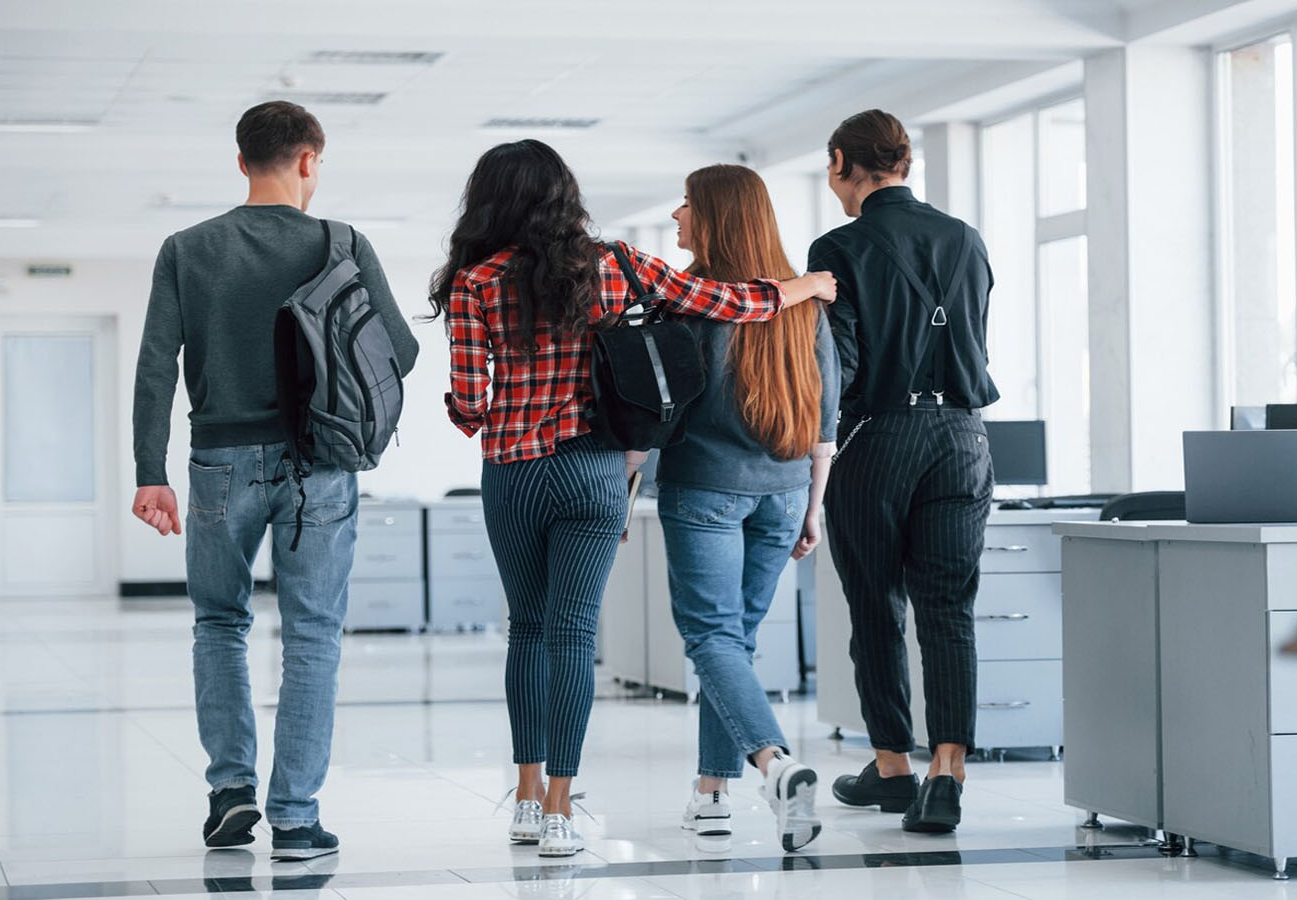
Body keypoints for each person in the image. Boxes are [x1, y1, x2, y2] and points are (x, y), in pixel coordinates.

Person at [428, 140, 836, 859]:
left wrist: (478, 412)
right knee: (575, 638)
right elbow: (727, 301)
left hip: (517, 473)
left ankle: (524, 801)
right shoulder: (613, 265)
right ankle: (560, 810)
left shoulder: (475, 282)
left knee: (528, 629)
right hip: (594, 475)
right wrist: (798, 288)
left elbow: (468, 404)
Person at [131, 101, 421, 860]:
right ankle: (295, 818)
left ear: (240, 162)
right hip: (318, 465)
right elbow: (403, 353)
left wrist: (148, 473)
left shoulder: (186, 248)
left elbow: (156, 364)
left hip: (216, 464)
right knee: (314, 634)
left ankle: (231, 794)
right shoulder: (341, 242)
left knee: (219, 624)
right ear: (307, 161)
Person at [807, 109, 998, 834]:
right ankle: (946, 771)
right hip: (964, 438)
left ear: (840, 162)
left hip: (880, 437)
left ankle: (892, 767)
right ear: (905, 163)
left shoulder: (839, 246)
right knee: (949, 608)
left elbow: (843, 365)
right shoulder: (965, 240)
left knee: (878, 606)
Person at [657, 165, 839, 853]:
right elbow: (826, 418)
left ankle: (773, 763)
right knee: (734, 643)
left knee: (712, 639)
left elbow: (660, 410)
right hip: (787, 492)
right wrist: (813, 509)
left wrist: (624, 490)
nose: (677, 215)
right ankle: (709, 793)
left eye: (687, 205)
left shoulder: (693, 306)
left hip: (705, 488)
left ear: (715, 218)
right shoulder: (808, 304)